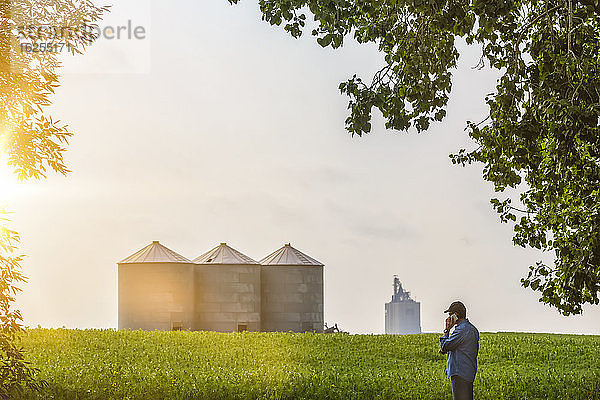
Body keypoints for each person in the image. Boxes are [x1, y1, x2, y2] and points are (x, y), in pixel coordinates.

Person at [439, 301, 479, 400]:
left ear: (456, 315)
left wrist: (446, 330)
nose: (448, 318)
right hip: (467, 371)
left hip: (460, 372)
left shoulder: (462, 330)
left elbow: (445, 346)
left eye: (450, 315)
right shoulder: (471, 329)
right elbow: (458, 347)